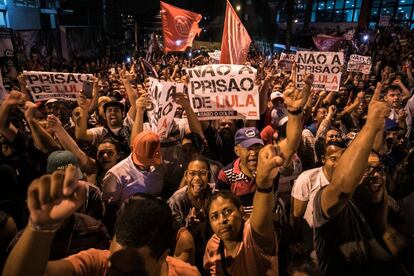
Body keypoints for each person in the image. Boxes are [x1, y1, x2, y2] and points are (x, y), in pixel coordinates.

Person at [2, 166, 201, 276]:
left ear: (163, 257)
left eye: (132, 274)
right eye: (113, 266)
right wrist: (40, 228)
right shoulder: (97, 264)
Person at [312, 83, 411, 275]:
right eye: (365, 170)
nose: (375, 176)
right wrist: (371, 124)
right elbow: (341, 188)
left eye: (379, 169)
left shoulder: (388, 205)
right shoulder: (327, 202)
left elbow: (406, 259)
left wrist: (383, 225)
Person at [203, 144, 283, 275]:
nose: (222, 220)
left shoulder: (254, 234)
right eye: (214, 216)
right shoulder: (213, 246)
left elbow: (262, 217)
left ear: (241, 211)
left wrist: (264, 183)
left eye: (227, 212)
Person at [291, 141, 346, 228]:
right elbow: (297, 213)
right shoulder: (307, 178)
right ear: (323, 159)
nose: (338, 164)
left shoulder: (348, 180)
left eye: (343, 160)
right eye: (333, 159)